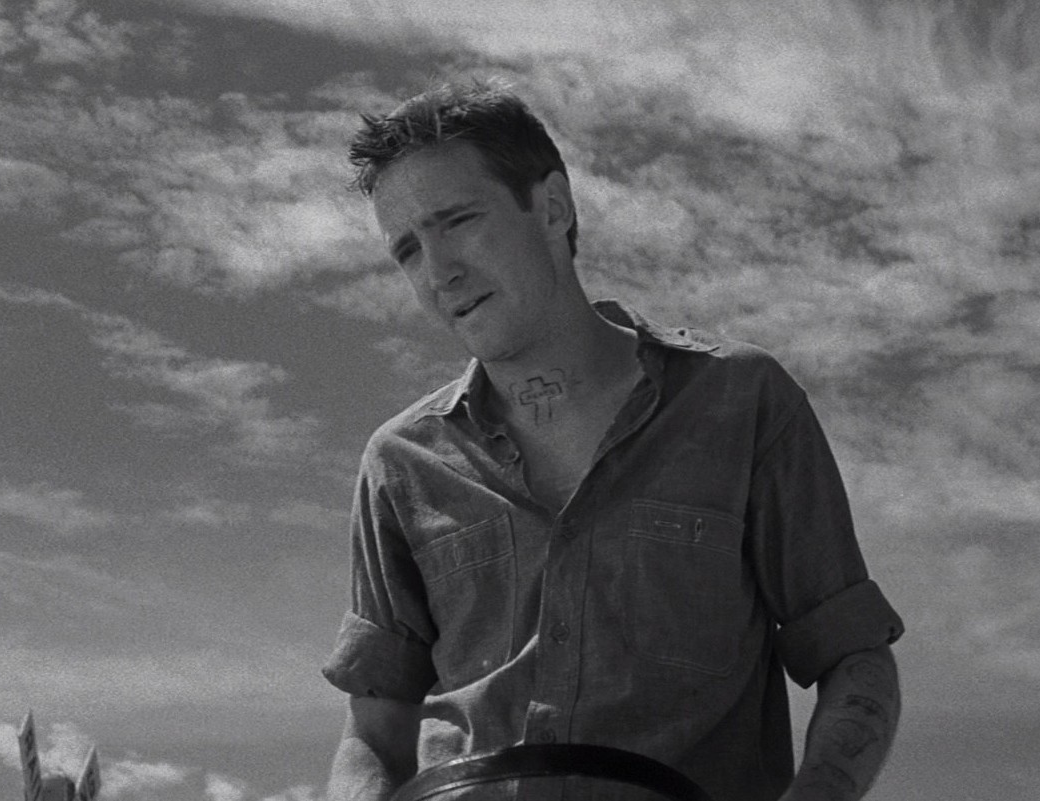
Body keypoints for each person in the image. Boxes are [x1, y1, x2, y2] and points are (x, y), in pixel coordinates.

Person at [320, 80, 907, 801]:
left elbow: (853, 655)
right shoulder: (398, 463)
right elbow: (373, 732)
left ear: (553, 207)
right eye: (408, 250)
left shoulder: (742, 401)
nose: (440, 273)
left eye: (459, 221)